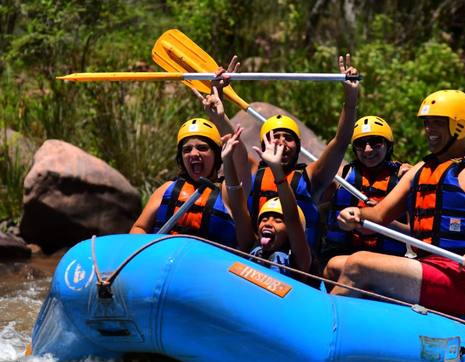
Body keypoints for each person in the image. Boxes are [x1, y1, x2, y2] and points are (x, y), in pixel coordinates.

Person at [328, 90, 465, 316]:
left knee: (358, 264)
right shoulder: (421, 169)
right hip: (426, 267)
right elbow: (379, 214)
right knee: (335, 265)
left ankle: (326, 326)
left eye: (438, 123)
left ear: (459, 127)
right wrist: (356, 214)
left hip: (463, 280)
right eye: (427, 123)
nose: (429, 130)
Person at [247, 55, 359, 251]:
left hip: (298, 263)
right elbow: (226, 141)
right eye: (275, 137)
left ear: (298, 147)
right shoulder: (252, 172)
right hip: (258, 257)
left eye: (288, 138)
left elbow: (340, 143)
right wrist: (218, 105)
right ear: (263, 145)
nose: (281, 142)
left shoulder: (311, 177)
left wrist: (350, 99)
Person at [129, 117, 237, 246]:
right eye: (187, 150)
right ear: (181, 158)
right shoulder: (167, 189)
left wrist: (221, 117)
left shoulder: (228, 192)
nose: (194, 154)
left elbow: (246, 241)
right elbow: (139, 228)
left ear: (217, 154)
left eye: (202, 148)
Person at [322, 115, 411, 271]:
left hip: (385, 260)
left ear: (388, 145)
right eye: (360, 144)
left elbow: (414, 232)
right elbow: (310, 196)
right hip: (343, 254)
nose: (368, 149)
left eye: (376, 142)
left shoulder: (403, 178)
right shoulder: (342, 176)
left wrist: (380, 217)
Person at [221, 125, 312, 274]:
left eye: (277, 220)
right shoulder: (249, 243)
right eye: (264, 219)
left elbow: (291, 217)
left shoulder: (301, 259)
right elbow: (238, 207)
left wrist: (277, 169)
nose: (268, 224)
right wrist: (227, 162)